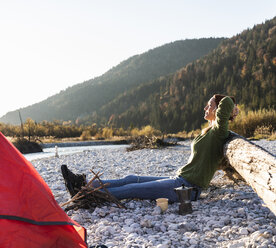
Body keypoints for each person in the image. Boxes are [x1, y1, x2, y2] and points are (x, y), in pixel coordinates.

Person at [61, 94, 239, 203]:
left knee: (133, 189)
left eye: (210, 105)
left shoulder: (218, 131)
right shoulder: (207, 132)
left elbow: (227, 106)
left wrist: (230, 105)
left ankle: (87, 195)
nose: (205, 107)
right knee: (131, 178)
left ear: (218, 110)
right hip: (179, 179)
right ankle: (84, 184)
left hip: (187, 189)